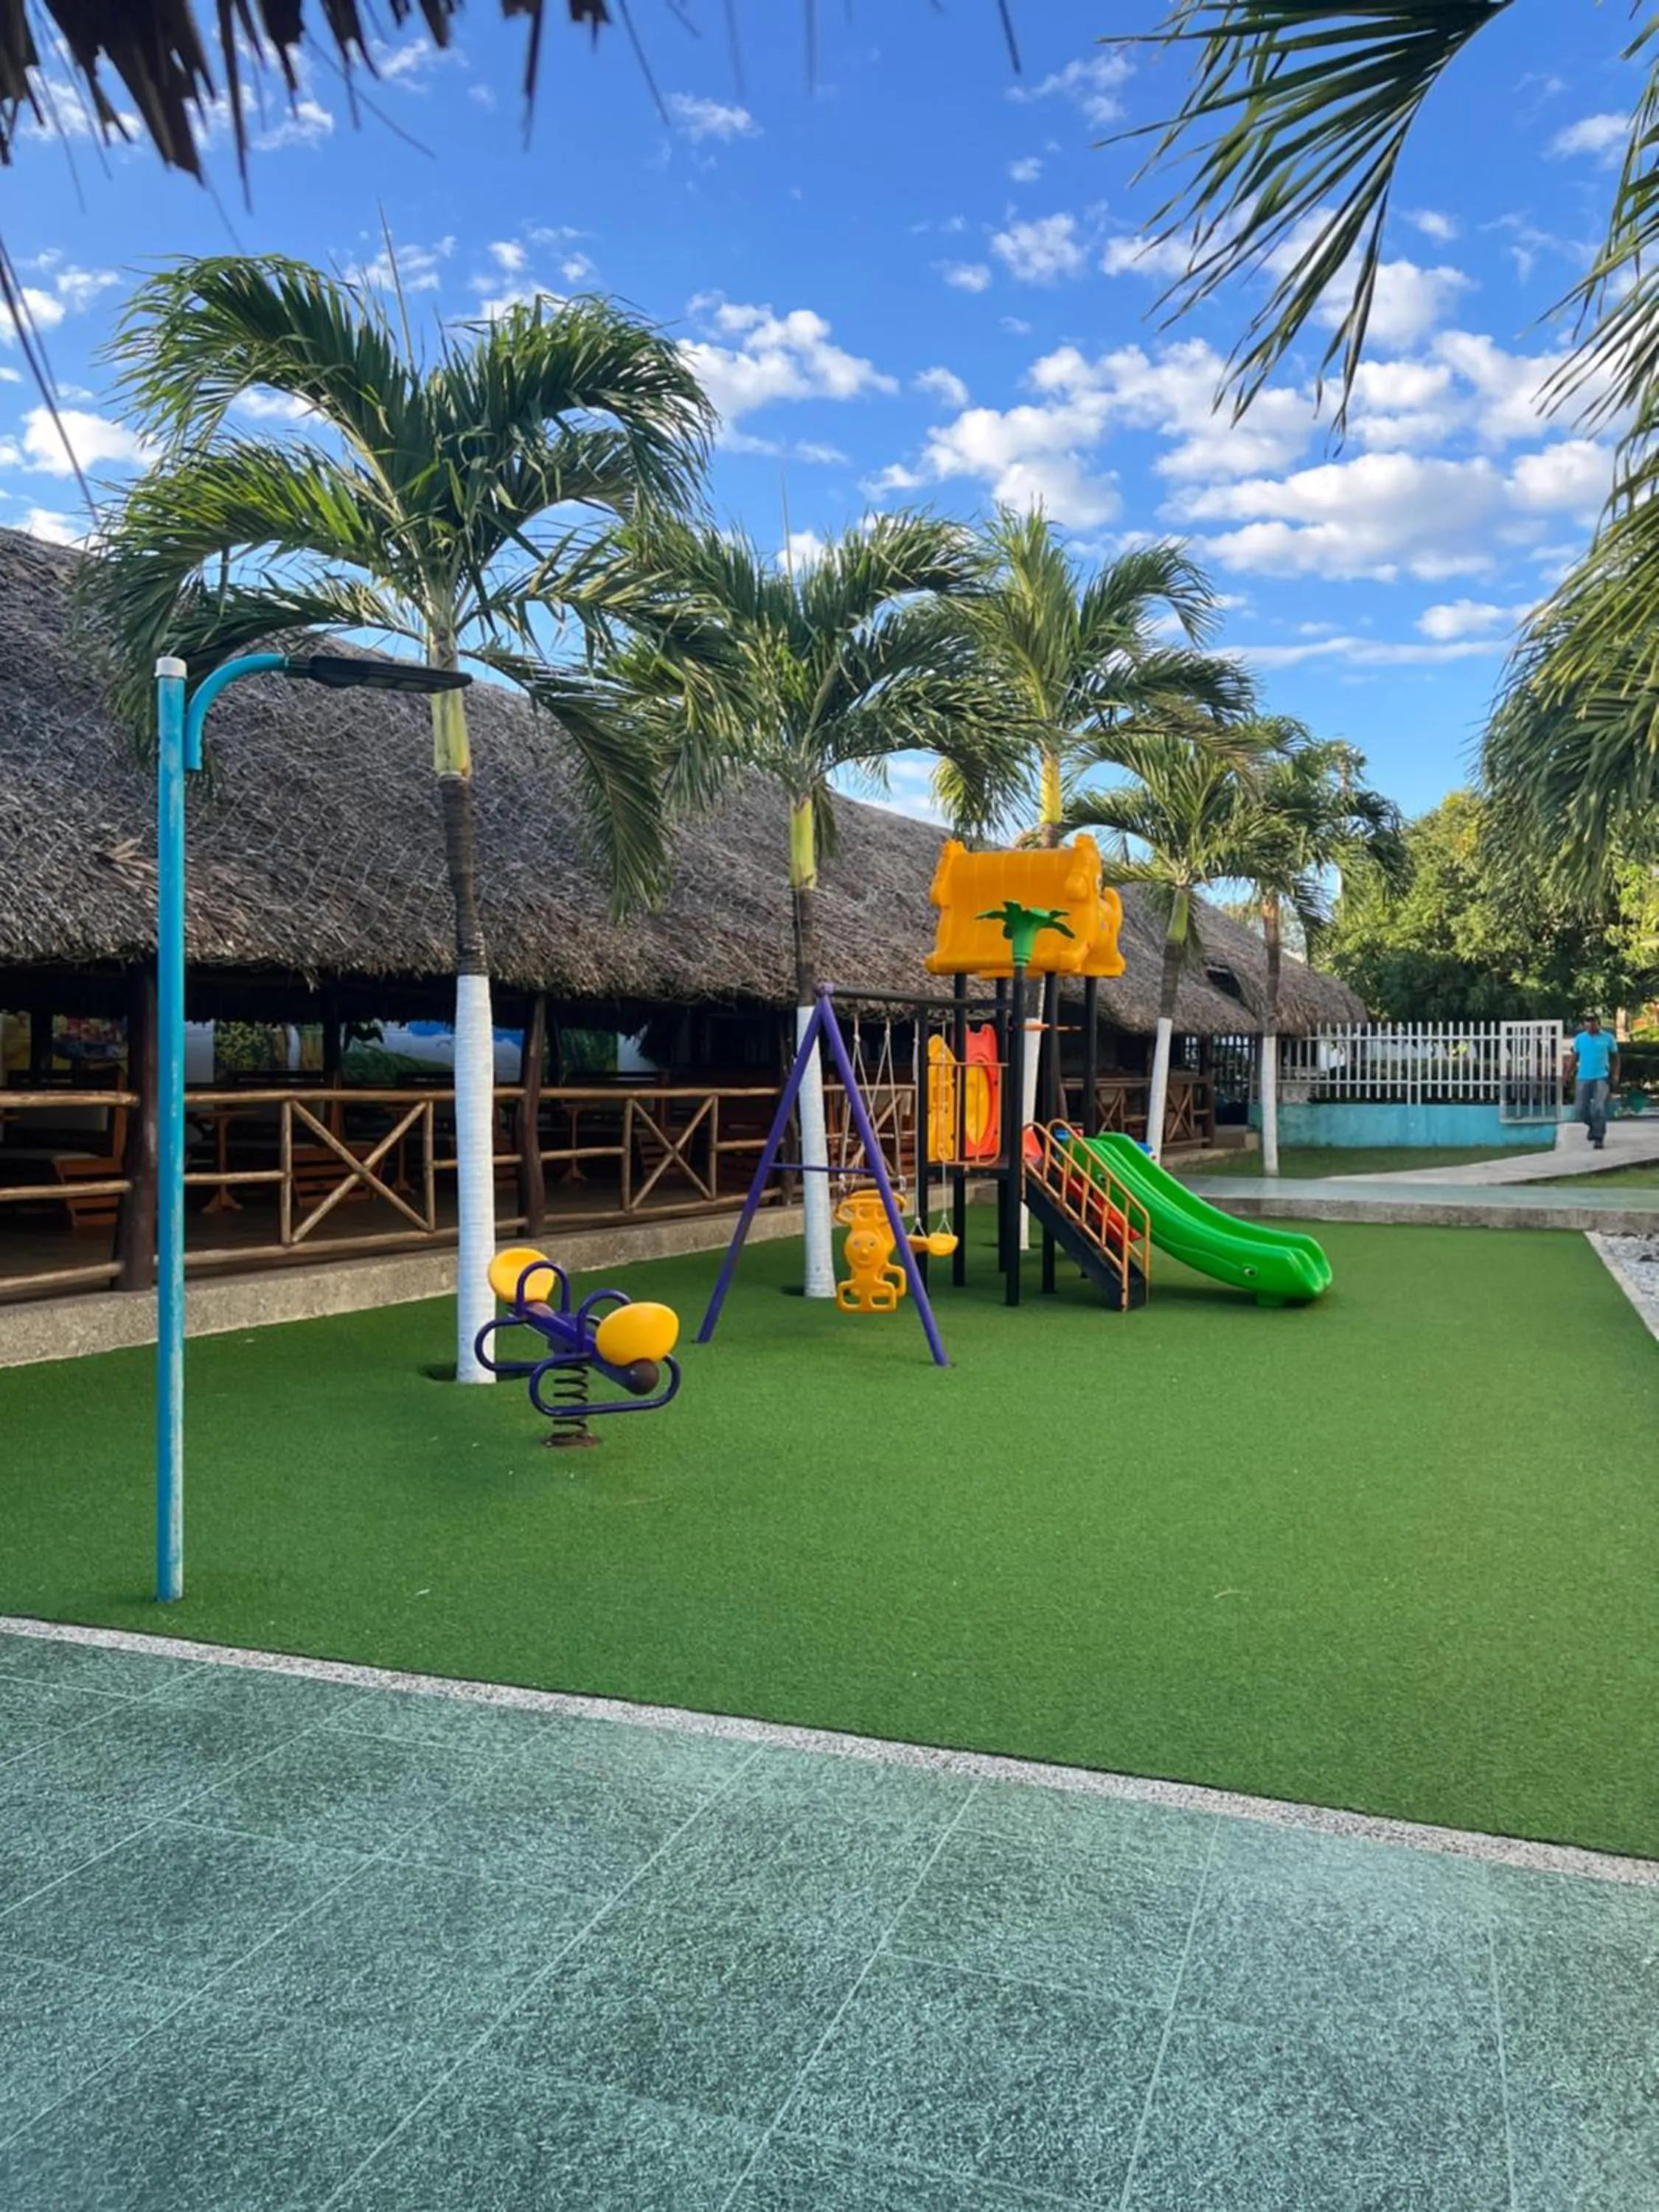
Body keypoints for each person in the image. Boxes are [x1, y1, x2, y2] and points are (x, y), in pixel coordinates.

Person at [1567, 1014, 1620, 1149]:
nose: (1590, 1025)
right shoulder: (1580, 1039)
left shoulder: (1608, 1038)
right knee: (1580, 1109)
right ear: (1584, 1025)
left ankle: (1599, 1138)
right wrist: (1567, 1074)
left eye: (1593, 1022)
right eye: (1588, 1023)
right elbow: (1574, 1057)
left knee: (1598, 1107)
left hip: (1602, 1077)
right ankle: (1593, 1127)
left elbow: (1615, 1058)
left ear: (1598, 1023)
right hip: (1583, 1077)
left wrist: (1615, 1075)